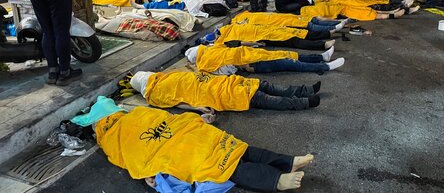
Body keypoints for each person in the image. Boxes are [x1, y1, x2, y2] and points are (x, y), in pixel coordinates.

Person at [72, 96, 313, 192]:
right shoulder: (120, 126)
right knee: (228, 157)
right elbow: (127, 154)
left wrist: (188, 121)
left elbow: (162, 119)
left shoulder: (126, 122)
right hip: (173, 143)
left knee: (229, 155)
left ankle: (286, 165)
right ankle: (278, 175)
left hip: (179, 136)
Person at [131, 70, 321, 111]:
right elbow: (178, 102)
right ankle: (303, 99)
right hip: (221, 91)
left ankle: (304, 92)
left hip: (222, 85)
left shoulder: (163, 78)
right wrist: (198, 109)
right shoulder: (156, 93)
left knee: (264, 90)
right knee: (262, 94)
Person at [185, 44, 345, 75]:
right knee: (291, 63)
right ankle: (324, 66)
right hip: (255, 63)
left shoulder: (212, 50)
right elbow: (228, 71)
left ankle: (322, 57)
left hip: (256, 56)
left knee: (289, 55)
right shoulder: (207, 63)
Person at [215, 23, 335, 51]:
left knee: (294, 33)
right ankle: (323, 44)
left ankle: (325, 35)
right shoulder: (225, 40)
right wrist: (259, 44)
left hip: (266, 30)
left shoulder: (229, 28)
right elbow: (241, 43)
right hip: (265, 35)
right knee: (293, 40)